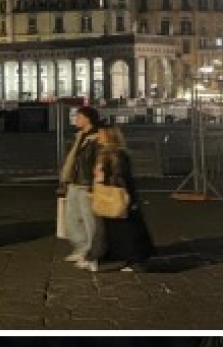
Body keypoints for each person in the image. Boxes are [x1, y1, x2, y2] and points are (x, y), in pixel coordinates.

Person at [90, 122, 153, 272]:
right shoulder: (108, 152)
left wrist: (119, 191)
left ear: (109, 135)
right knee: (118, 229)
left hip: (117, 196)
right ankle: (124, 259)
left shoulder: (115, 154)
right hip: (115, 195)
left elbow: (119, 177)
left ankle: (131, 260)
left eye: (101, 133)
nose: (98, 136)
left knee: (124, 230)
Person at [59, 106, 102, 267]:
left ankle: (91, 252)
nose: (75, 119)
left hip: (86, 184)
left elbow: (98, 162)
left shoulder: (96, 137)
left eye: (78, 117)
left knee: (88, 220)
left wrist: (94, 184)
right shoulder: (80, 136)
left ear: (87, 119)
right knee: (71, 218)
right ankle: (81, 247)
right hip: (75, 182)